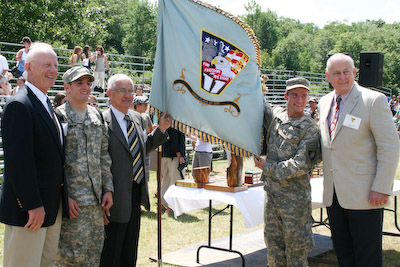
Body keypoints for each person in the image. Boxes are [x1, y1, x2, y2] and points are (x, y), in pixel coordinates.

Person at [319, 53, 399, 266]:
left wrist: (381, 187)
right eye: (336, 73)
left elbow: (389, 147)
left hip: (366, 195)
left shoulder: (373, 100)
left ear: (355, 72)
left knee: (367, 258)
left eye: (347, 72)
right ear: (328, 76)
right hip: (334, 195)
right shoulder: (324, 102)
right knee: (344, 255)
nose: (342, 77)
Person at [0, 42, 68, 267]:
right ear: (27, 67)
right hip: (30, 213)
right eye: (47, 64)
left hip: (50, 208)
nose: (53, 70)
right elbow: (18, 163)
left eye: (56, 65)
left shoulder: (46, 104)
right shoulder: (19, 105)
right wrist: (31, 204)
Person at [100, 74, 170, 267]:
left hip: (135, 195)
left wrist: (160, 130)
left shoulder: (138, 118)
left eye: (130, 90)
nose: (127, 95)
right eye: (122, 90)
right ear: (109, 93)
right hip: (113, 197)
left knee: (130, 251)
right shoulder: (101, 120)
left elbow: (141, 148)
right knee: (111, 253)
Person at [254, 77, 321, 266]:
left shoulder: (310, 129)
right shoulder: (277, 116)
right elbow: (258, 103)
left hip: (295, 201)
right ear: (286, 96)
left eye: (304, 96)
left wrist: (266, 167)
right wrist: (254, 80)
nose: (299, 100)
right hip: (273, 197)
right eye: (295, 95)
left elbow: (299, 165)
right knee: (274, 249)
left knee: (296, 252)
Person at [55, 66, 114, 266]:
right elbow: (54, 162)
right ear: (67, 87)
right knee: (68, 257)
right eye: (79, 83)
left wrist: (108, 189)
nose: (85, 87)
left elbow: (103, 156)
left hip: (96, 202)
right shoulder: (58, 117)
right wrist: (64, 196)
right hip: (73, 204)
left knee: (92, 255)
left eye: (88, 83)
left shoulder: (97, 116)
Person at [161, 127, 186, 213]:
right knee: (175, 181)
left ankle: (162, 203)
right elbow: (174, 138)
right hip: (173, 156)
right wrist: (180, 155)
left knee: (166, 181)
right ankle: (171, 206)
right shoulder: (176, 121)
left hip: (165, 154)